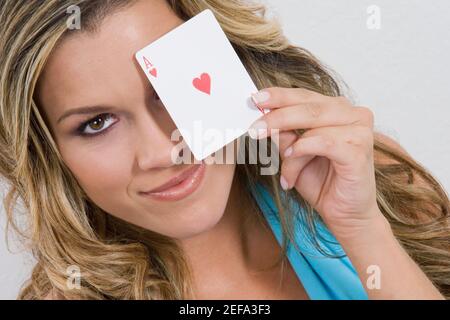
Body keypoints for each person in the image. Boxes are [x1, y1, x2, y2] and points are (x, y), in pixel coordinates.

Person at [0, 0, 448, 300]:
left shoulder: (375, 182)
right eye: (96, 124)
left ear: (231, 61)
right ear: (49, 153)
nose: (163, 150)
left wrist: (363, 229)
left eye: (168, 90)